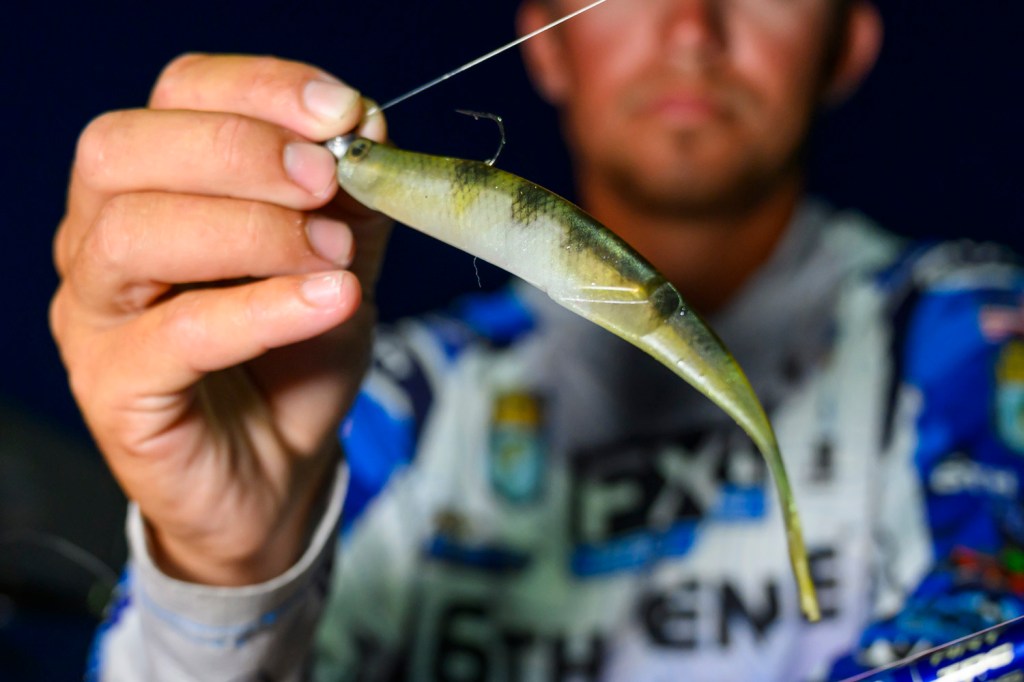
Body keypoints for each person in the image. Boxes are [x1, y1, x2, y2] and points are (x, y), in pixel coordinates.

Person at [49, 0, 1024, 680]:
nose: (691, 27)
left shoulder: (969, 337)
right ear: (546, 42)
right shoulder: (398, 395)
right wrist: (224, 571)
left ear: (846, 46)